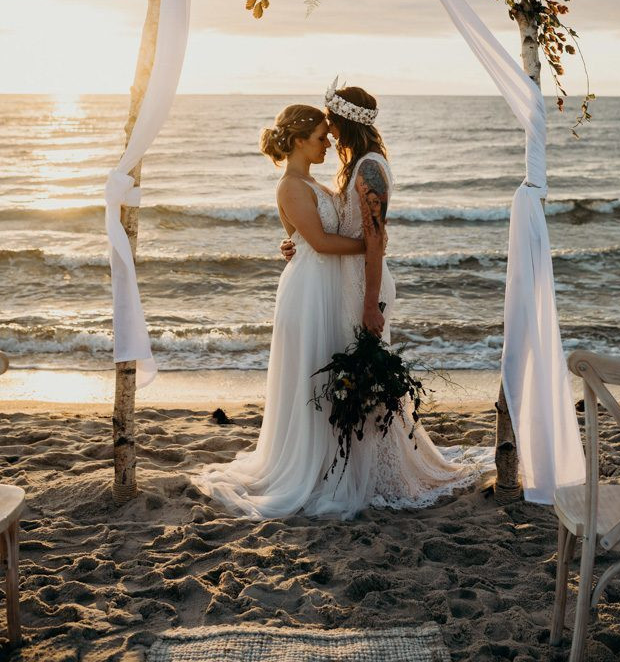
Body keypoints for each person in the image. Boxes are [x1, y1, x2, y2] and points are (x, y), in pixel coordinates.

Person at [281, 81, 494, 511]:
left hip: (364, 285)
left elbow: (375, 239)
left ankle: (380, 471)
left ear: (346, 123)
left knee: (369, 380)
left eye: (333, 127)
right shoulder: (359, 166)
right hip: (350, 282)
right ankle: (354, 466)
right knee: (353, 377)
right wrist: (301, 243)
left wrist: (369, 301)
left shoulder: (370, 169)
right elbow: (350, 233)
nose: (331, 135)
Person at [191, 103, 381, 518]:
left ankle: (334, 459)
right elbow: (324, 243)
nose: (328, 144)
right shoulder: (291, 186)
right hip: (309, 292)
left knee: (329, 371)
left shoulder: (312, 182)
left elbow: (307, 240)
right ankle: (309, 466)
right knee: (312, 374)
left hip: (326, 288)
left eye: (330, 138)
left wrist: (302, 244)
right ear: (297, 141)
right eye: (320, 138)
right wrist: (373, 247)